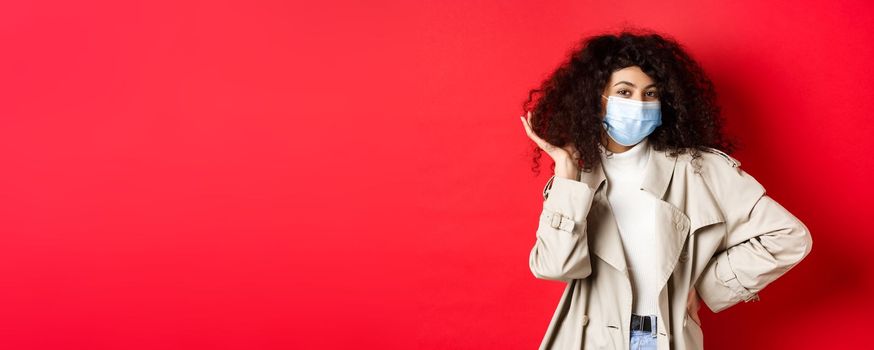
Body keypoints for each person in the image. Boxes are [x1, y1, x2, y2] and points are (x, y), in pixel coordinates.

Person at [518, 29, 813, 350]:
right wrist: (566, 173)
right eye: (624, 92)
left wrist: (709, 287)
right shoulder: (575, 179)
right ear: (597, 99)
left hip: (660, 336)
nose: (639, 103)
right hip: (588, 339)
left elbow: (789, 236)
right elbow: (555, 268)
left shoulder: (700, 170)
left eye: (650, 94)